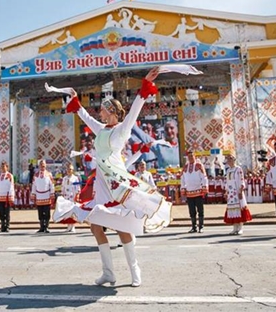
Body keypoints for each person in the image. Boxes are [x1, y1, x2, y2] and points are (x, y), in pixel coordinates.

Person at [53, 67, 171, 287]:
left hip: (116, 181)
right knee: (95, 225)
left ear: (113, 112)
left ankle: (135, 271)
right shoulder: (101, 129)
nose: (100, 113)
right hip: (101, 183)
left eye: (104, 111)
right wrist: (75, 101)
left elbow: (136, 108)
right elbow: (85, 117)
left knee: (121, 227)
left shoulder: (122, 129)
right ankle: (108, 273)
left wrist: (145, 84)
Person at [180, 150, 208, 233]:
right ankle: (194, 227)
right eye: (189, 157)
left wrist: (204, 186)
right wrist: (183, 188)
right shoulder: (185, 167)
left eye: (192, 156)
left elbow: (204, 177)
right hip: (189, 192)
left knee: (200, 210)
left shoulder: (199, 165)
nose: (191, 158)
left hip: (198, 191)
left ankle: (201, 226)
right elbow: (182, 178)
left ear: (194, 156)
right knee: (192, 211)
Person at [223, 153, 252, 235]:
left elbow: (241, 179)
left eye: (231, 159)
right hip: (231, 193)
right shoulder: (228, 170)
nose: (229, 160)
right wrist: (226, 191)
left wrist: (240, 190)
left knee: (239, 208)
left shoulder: (238, 169)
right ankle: (235, 227)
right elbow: (227, 182)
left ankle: (240, 228)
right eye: (228, 159)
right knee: (232, 209)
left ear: (234, 159)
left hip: (237, 191)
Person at [31, 160, 55, 233]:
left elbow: (52, 185)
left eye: (44, 165)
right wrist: (33, 194)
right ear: (39, 166)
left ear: (45, 166)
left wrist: (52, 193)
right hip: (39, 196)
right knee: (40, 212)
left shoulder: (49, 174)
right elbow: (34, 186)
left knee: (47, 212)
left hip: (46, 196)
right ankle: (42, 227)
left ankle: (46, 227)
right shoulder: (35, 175)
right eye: (41, 165)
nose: (42, 166)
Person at [0, 161, 15, 233]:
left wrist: (11, 196)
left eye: (4, 166)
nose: (2, 168)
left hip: (6, 197)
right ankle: (2, 226)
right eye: (1, 167)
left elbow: (11, 186)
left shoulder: (9, 176)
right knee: (1, 212)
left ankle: (7, 226)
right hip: (0, 197)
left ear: (7, 167)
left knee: (7, 212)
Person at [60, 163, 80, 232]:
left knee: (73, 212)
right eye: (68, 169)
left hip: (72, 197)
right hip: (66, 197)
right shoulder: (65, 178)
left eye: (70, 169)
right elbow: (62, 187)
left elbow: (78, 188)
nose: (69, 170)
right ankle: (68, 226)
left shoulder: (75, 178)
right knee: (67, 212)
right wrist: (62, 195)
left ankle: (73, 226)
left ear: (73, 170)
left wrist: (77, 196)